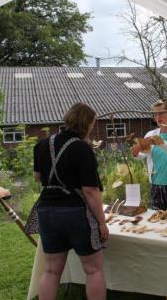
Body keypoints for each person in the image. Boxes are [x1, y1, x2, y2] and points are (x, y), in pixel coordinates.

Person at [33, 103, 109, 300]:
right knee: (93, 270)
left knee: (50, 271)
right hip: (74, 211)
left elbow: (37, 176)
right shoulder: (83, 148)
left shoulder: (42, 144)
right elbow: (90, 190)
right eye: (93, 123)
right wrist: (102, 223)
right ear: (88, 123)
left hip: (46, 210)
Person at [131, 99, 167, 212]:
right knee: (156, 219)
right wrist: (136, 153)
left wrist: (158, 142)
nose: (157, 117)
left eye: (161, 113)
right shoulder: (151, 134)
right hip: (156, 185)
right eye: (155, 114)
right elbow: (144, 155)